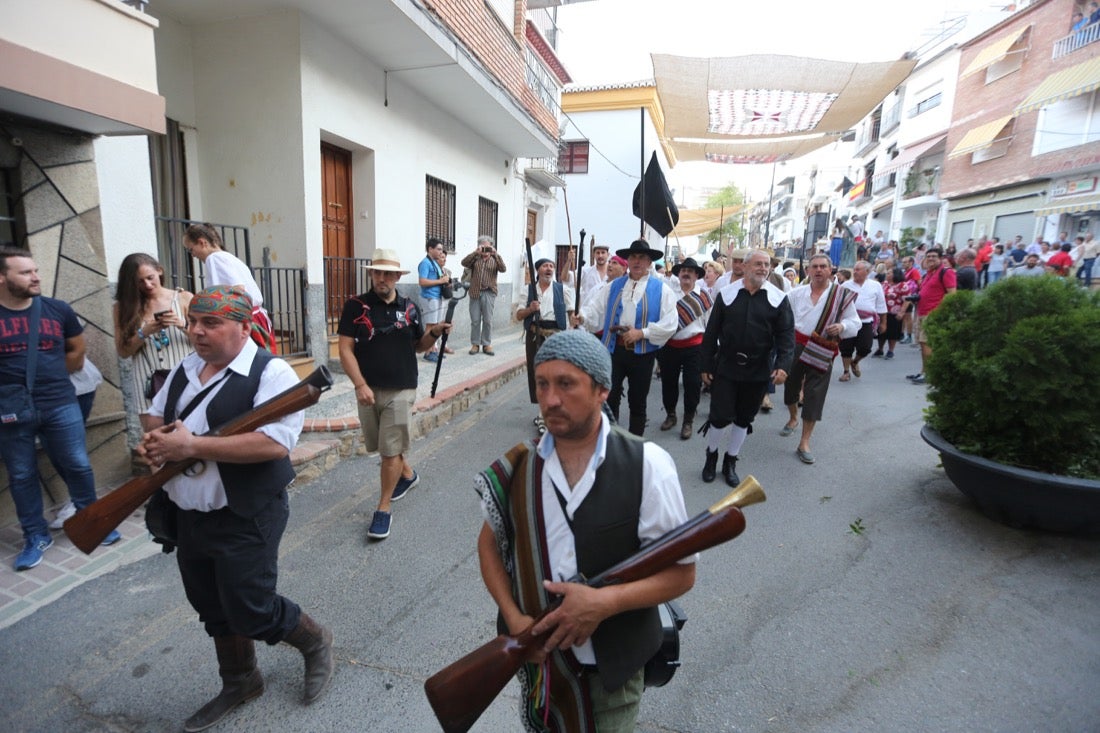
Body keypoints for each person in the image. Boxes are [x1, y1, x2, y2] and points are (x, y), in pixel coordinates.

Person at [474, 329, 695, 733]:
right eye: (542, 383)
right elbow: (488, 547)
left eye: (566, 384)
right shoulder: (519, 467)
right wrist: (514, 618)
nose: (550, 399)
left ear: (602, 390)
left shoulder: (648, 465)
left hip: (612, 677)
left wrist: (604, 603)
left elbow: (682, 573)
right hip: (542, 673)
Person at [139, 285, 333, 730]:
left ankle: (315, 641)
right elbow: (154, 413)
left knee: (252, 607)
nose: (197, 332)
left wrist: (191, 444)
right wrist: (154, 439)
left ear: (245, 328)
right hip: (188, 513)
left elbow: (273, 445)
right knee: (210, 605)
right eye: (193, 322)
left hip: (245, 513)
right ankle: (241, 681)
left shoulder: (273, 374)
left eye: (211, 323)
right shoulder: (187, 367)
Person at [0, 248, 121, 570]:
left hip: (60, 403)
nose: (36, 276)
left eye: (36, 270)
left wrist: (50, 379)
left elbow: (76, 350)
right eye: (25, 272)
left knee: (78, 464)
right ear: (3, 277)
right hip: (11, 411)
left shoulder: (57, 310)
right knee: (22, 475)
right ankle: (35, 536)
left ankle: (91, 521)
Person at [337, 250, 450, 540]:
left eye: (388, 274)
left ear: (398, 277)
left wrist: (434, 333)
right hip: (368, 390)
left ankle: (383, 508)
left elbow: (418, 346)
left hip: (402, 387)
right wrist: (360, 384)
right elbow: (345, 349)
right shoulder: (355, 306)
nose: (382, 279)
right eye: (377, 273)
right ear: (371, 275)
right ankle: (408, 475)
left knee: (389, 450)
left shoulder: (410, 307)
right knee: (382, 446)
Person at [700, 250, 793, 484]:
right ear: (746, 266)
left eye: (766, 265)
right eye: (758, 264)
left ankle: (730, 460)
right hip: (727, 365)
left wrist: (783, 365)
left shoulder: (778, 298)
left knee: (744, 418)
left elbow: (786, 336)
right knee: (720, 416)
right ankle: (711, 456)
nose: (763, 268)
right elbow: (711, 333)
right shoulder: (727, 294)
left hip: (758, 368)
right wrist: (706, 364)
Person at [575, 239, 678, 436]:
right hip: (614, 350)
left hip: (643, 354)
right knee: (609, 396)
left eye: (642, 258)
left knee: (637, 401)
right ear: (628, 261)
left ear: (649, 262)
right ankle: (611, 440)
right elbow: (596, 308)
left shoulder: (662, 289)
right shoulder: (614, 286)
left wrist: (642, 333)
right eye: (633, 257)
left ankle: (634, 446)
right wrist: (581, 316)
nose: (637, 261)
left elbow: (670, 323)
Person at [780, 253, 860, 464]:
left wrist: (842, 326)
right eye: (814, 266)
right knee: (790, 387)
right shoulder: (796, 294)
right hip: (796, 345)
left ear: (830, 269)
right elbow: (783, 320)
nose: (818, 270)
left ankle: (804, 442)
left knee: (815, 394)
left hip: (823, 347)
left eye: (822, 266)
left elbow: (855, 322)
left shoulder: (841, 295)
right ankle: (793, 418)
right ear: (807, 271)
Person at [113, 253, 194, 412]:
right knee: (154, 433)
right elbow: (123, 351)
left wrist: (181, 324)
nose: (148, 285)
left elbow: (204, 338)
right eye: (139, 282)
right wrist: (143, 333)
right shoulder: (123, 308)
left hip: (186, 376)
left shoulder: (183, 298)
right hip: (148, 380)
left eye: (150, 277)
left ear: (160, 271)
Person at [183, 223, 275, 351]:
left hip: (244, 320)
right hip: (256, 317)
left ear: (202, 242)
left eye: (191, 249)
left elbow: (238, 289)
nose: (192, 255)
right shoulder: (230, 258)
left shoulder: (214, 259)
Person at [516, 257, 574, 433]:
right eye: (545, 266)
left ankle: (548, 414)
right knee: (538, 376)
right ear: (538, 270)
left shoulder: (563, 289)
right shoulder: (528, 290)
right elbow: (518, 315)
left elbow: (572, 313)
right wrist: (530, 309)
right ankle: (543, 413)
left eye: (551, 266)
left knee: (554, 376)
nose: (549, 269)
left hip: (556, 336)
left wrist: (574, 328)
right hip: (535, 336)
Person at [657, 258, 712, 440]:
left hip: (694, 347)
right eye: (683, 270)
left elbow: (710, 324)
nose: (686, 273)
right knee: (668, 383)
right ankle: (671, 414)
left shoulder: (704, 296)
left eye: (691, 270)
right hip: (670, 346)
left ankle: (688, 419)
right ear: (678, 274)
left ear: (697, 275)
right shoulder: (669, 294)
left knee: (692, 385)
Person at [907, 247, 957, 385]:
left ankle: (929, 374)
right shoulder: (929, 273)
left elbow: (952, 295)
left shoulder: (946, 272)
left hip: (932, 314)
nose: (930, 259)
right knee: (923, 344)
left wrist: (938, 311)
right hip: (922, 312)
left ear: (940, 258)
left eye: (934, 256)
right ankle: (923, 372)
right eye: (928, 256)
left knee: (927, 345)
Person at [837, 261, 886, 382]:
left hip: (866, 321)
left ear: (867, 272)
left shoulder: (876, 286)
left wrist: (884, 322)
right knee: (846, 347)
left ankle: (855, 362)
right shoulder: (845, 285)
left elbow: (881, 305)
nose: (855, 272)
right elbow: (838, 304)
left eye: (858, 269)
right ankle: (846, 371)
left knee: (865, 347)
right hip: (849, 321)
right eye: (854, 269)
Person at [460, 235, 506, 355]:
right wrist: (476, 252)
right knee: (475, 320)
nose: (485, 250)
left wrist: (496, 254)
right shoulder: (475, 259)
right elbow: (464, 263)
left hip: (489, 292)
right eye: (483, 247)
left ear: (492, 247)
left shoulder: (495, 260)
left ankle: (486, 344)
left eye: (488, 247)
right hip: (475, 292)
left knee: (487, 320)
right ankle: (475, 344)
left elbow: (503, 269)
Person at [418, 237, 452, 363]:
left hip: (436, 297)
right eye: (438, 249)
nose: (440, 252)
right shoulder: (425, 263)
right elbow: (422, 281)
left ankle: (433, 350)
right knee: (430, 326)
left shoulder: (433, 263)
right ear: (430, 249)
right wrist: (440, 281)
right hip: (429, 297)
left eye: (441, 249)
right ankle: (428, 352)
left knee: (435, 325)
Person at [872, 267, 913, 359]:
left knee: (893, 332)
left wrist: (902, 312)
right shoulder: (884, 284)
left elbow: (907, 300)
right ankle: (880, 349)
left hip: (895, 312)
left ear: (896, 274)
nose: (887, 274)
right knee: (881, 332)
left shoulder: (903, 285)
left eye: (890, 273)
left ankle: (890, 350)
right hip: (883, 312)